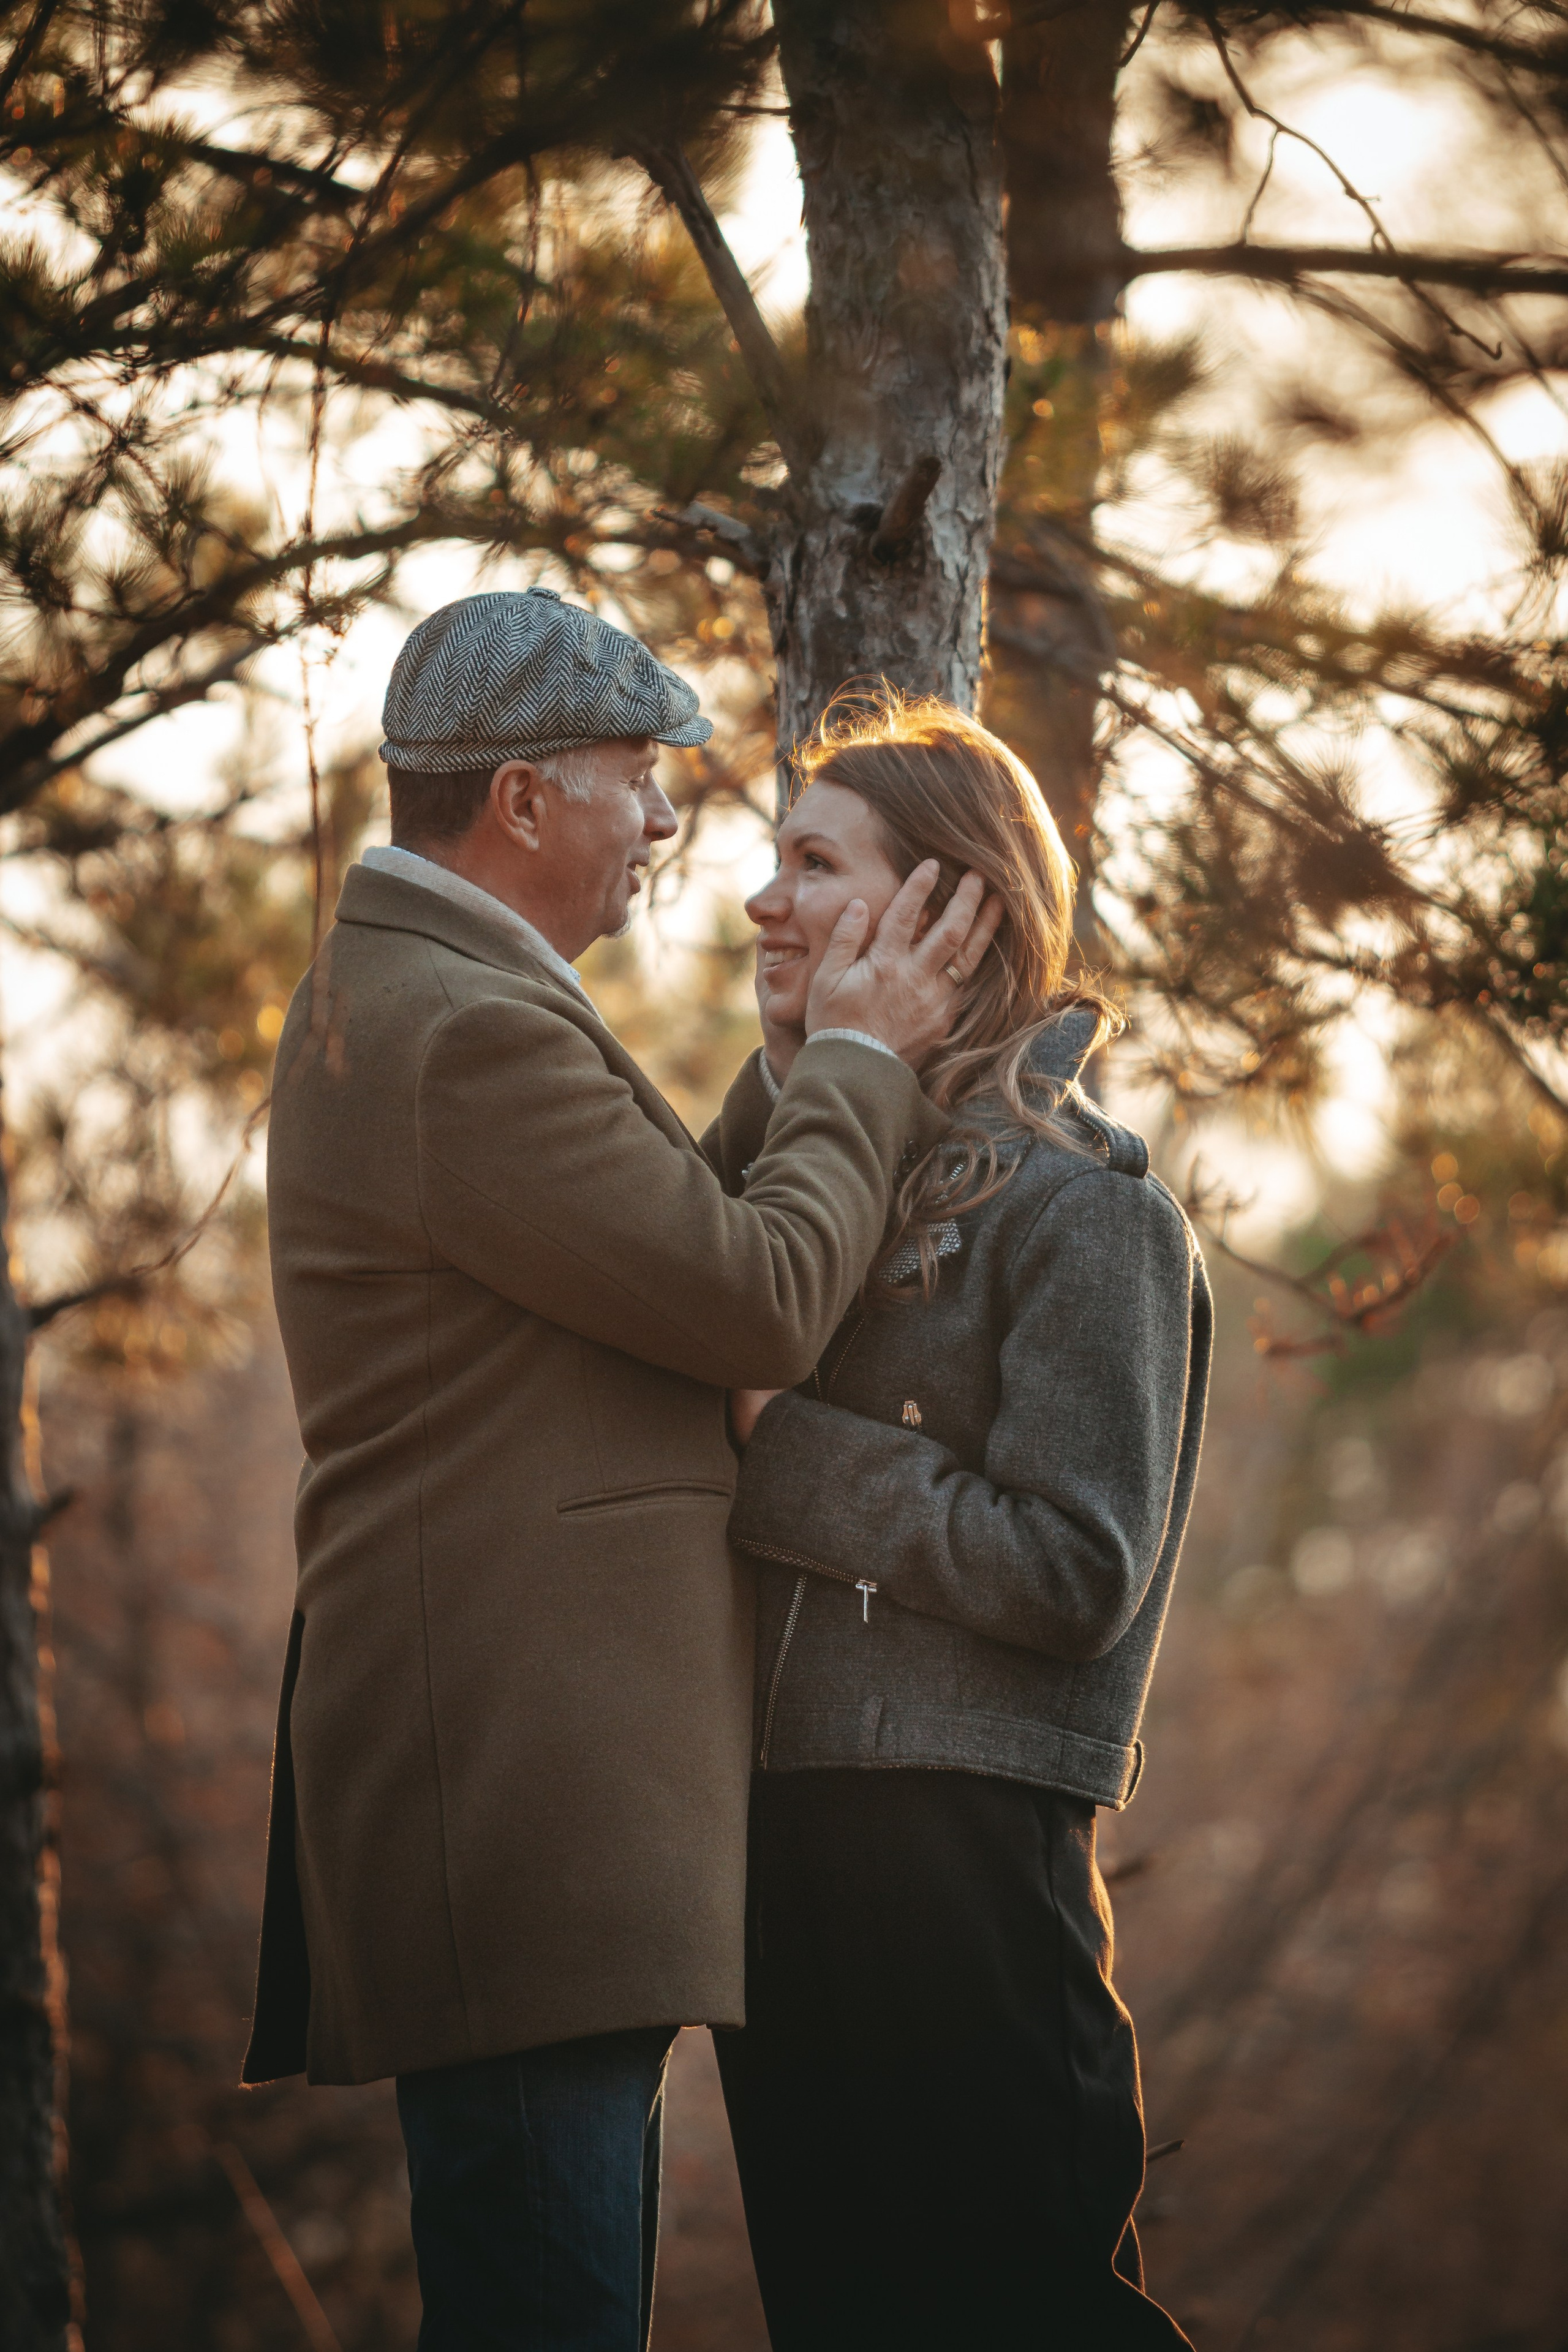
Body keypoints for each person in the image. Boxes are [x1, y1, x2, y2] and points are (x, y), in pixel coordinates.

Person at [241, 592, 1001, 2352]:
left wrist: (812, 1061)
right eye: (637, 781)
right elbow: (749, 1301)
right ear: (522, 800)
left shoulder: (437, 997)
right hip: (529, 1797)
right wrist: (875, 1063)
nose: (668, 826)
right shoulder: (467, 1030)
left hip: (530, 1796)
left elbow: (660, 1243)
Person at [709, 693, 1212, 2351]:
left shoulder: (1092, 1210)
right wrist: (812, 1076)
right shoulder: (808, 1173)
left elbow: (1075, 1569)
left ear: (946, 912)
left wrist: (789, 1456)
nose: (761, 901)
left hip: (966, 1868)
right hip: (773, 1860)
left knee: (1028, 2318)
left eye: (809, 862)